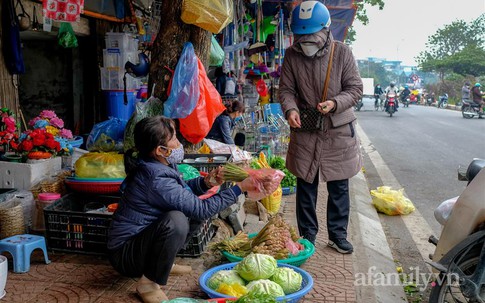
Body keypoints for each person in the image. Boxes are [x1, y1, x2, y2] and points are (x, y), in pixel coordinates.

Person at [107, 116, 250, 303]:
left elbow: (183, 193)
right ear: (160, 150)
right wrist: (240, 188)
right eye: (174, 139)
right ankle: (148, 283)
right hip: (125, 255)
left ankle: (163, 263)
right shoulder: (155, 177)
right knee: (177, 220)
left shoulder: (161, 164)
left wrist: (206, 182)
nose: (179, 143)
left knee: (189, 208)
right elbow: (200, 209)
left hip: (141, 242)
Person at [278, 0, 363, 254]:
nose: (306, 41)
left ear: (326, 31)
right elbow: (286, 90)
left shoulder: (343, 53)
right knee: (306, 184)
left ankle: (337, 235)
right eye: (302, 36)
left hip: (337, 130)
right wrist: (291, 109)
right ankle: (307, 236)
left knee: (338, 186)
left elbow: (356, 89)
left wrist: (335, 103)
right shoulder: (292, 55)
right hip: (306, 128)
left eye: (311, 35)